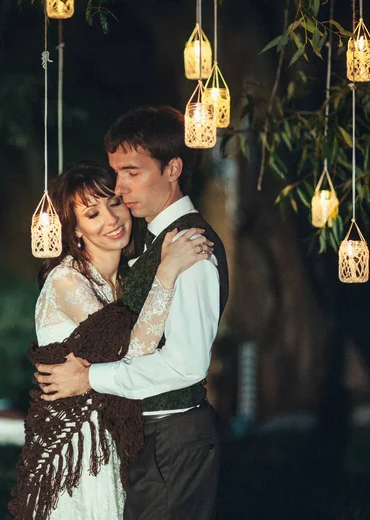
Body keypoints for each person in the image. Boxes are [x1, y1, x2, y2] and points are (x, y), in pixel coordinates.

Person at [36, 106, 229, 520]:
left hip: (173, 436)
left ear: (172, 168)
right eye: (116, 174)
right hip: (138, 441)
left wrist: (88, 377)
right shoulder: (153, 249)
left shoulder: (190, 248)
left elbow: (187, 365)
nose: (120, 191)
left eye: (132, 172)